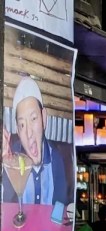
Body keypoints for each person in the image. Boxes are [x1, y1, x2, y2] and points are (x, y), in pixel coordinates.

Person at [1, 77, 73, 205]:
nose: (28, 133)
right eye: (22, 125)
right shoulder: (11, 161)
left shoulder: (58, 159)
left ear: (44, 118)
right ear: (17, 130)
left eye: (33, 118)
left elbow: (61, 207)